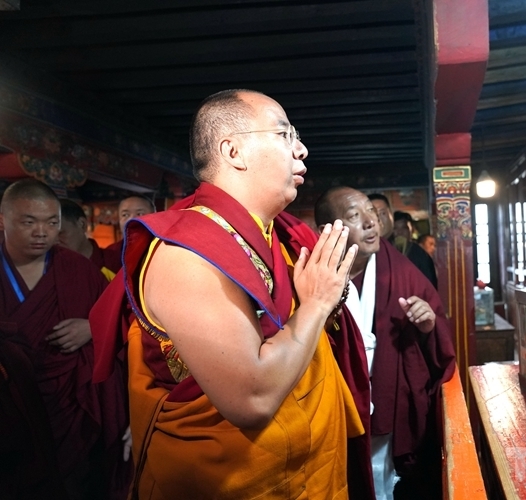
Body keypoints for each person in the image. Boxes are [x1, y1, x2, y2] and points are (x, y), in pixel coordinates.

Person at [90, 89, 370, 499]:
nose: (301, 149)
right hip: (231, 482)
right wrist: (317, 303)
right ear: (233, 151)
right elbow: (251, 399)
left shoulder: (285, 237)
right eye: (284, 134)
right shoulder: (186, 253)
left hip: (310, 469)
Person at [314, 186, 456, 500]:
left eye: (373, 213)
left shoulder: (402, 270)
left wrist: (427, 326)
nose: (371, 222)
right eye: (355, 215)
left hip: (389, 398)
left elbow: (438, 335)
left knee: (383, 481)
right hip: (335, 405)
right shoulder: (312, 274)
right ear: (327, 230)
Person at [0, 179, 130, 500]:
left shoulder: (77, 269)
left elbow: (122, 321)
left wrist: (92, 328)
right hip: (7, 412)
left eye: (52, 222)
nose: (42, 232)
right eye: (29, 222)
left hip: (71, 409)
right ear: (3, 220)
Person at [58, 199, 118, 280]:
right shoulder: (48, 269)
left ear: (82, 224)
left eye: (60, 233)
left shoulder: (117, 263)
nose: (54, 241)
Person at [104, 194, 156, 272]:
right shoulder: (110, 253)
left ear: (154, 216)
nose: (131, 219)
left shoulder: (164, 248)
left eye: (140, 214)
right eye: (125, 215)